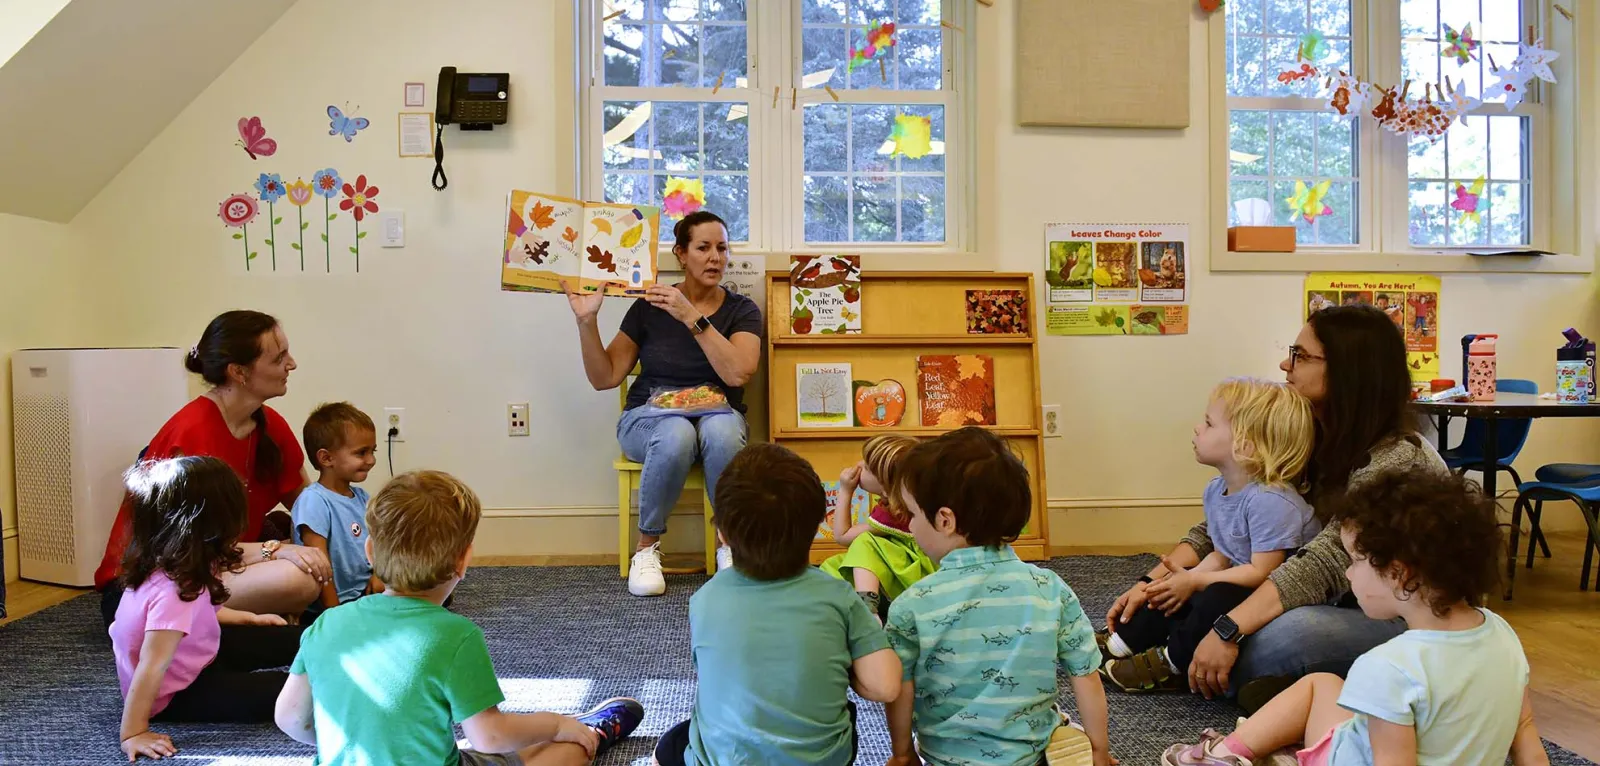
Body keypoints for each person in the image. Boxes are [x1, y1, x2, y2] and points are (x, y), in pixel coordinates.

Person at [1105, 305, 1447, 709]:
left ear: (1347, 370)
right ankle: (1229, 669)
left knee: (1274, 637)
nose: (1286, 364)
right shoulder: (1315, 435)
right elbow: (1225, 524)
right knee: (1216, 603)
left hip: (1405, 615)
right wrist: (1151, 583)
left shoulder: (1398, 459)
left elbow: (1323, 564)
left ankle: (1247, 675)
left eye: (1300, 356)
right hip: (1337, 596)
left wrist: (1228, 629)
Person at [1162, 470, 1548, 766]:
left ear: (1399, 574)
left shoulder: (1389, 667)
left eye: (1356, 561)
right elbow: (1525, 733)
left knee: (1316, 688)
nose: (1348, 573)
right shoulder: (1502, 635)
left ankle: (1224, 755)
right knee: (1325, 684)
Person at [275, 470, 645, 765]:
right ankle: (586, 733)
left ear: (369, 551)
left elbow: (290, 719)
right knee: (565, 751)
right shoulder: (456, 634)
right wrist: (556, 723)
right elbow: (490, 736)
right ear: (464, 561)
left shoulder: (326, 624)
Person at [653, 443, 902, 766]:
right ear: (816, 526)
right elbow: (886, 687)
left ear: (723, 536)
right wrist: (845, 663)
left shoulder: (704, 599)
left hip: (728, 759)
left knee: (674, 742)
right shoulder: (839, 596)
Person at [562, 210, 763, 597]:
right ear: (681, 254)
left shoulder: (742, 310)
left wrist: (692, 318)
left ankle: (730, 545)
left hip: (717, 417)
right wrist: (586, 322)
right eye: (703, 247)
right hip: (649, 419)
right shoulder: (649, 307)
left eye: (722, 248)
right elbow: (605, 378)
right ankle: (646, 548)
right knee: (676, 433)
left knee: (722, 430)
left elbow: (739, 373)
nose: (715, 257)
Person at [885, 427, 1113, 766]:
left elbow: (898, 688)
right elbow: (1085, 674)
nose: (910, 526)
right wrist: (1099, 750)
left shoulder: (912, 605)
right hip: (1030, 755)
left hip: (946, 757)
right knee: (1067, 735)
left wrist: (902, 753)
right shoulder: (1050, 589)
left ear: (945, 520)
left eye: (912, 515)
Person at [97, 310, 328, 625]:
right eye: (278, 358)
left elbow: (311, 509)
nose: (292, 364)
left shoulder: (271, 425)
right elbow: (182, 554)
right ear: (238, 372)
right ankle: (230, 621)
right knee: (300, 578)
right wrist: (275, 550)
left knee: (315, 552)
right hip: (156, 580)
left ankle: (230, 620)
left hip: (221, 565)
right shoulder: (191, 434)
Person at [1102, 378, 1318, 693]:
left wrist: (1197, 581)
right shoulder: (1217, 490)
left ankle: (1171, 663)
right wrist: (1183, 580)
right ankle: (1120, 643)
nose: (1197, 428)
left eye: (1209, 423)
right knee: (1176, 586)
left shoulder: (1271, 501)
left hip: (1276, 596)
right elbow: (1222, 553)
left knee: (1214, 596)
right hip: (1241, 580)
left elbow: (1262, 572)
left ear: (1245, 444)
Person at [110, 457, 305, 762]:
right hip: (177, 693)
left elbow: (198, 615)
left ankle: (349, 652)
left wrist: (249, 618)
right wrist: (133, 732)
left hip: (197, 655)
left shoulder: (182, 560)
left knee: (294, 637)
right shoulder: (172, 591)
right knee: (291, 692)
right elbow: (151, 665)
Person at [819, 434, 935, 621]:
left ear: (886, 488)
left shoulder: (893, 514)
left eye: (866, 467)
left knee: (864, 542)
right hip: (917, 563)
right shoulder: (913, 503)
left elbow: (842, 536)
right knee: (836, 564)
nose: (858, 465)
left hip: (914, 569)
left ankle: (867, 609)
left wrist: (846, 490)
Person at [291, 402, 381, 614]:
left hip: (365, 593)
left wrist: (379, 575)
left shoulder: (362, 497)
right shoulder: (314, 500)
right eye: (361, 453)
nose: (371, 460)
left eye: (373, 451)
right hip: (336, 603)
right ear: (326, 458)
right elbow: (319, 563)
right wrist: (334, 614)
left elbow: (380, 544)